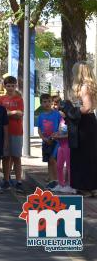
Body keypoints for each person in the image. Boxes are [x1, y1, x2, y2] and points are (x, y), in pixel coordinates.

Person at [69, 62, 97, 195]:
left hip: (85, 123)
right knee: (87, 155)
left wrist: (70, 111)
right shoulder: (88, 86)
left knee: (84, 156)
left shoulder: (85, 87)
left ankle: (86, 187)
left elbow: (87, 107)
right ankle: (90, 187)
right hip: (87, 122)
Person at [0, 76, 24, 191]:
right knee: (6, 157)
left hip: (17, 131)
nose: (11, 88)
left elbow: (20, 114)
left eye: (13, 85)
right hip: (4, 132)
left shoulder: (19, 99)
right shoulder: (0, 99)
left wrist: (8, 113)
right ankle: (6, 180)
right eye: (8, 86)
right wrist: (13, 113)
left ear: (15, 86)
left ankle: (18, 181)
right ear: (5, 86)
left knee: (16, 157)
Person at [36, 94, 60, 188]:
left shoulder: (57, 114)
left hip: (56, 141)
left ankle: (56, 180)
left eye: (49, 101)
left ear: (52, 102)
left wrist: (56, 135)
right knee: (49, 161)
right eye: (45, 102)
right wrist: (43, 138)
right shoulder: (41, 116)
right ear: (41, 103)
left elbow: (61, 126)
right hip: (46, 142)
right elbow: (39, 129)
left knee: (53, 160)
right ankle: (51, 179)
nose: (47, 103)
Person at [52, 121, 74, 193]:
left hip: (68, 145)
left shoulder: (71, 120)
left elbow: (71, 134)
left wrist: (58, 136)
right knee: (58, 165)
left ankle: (71, 186)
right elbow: (60, 131)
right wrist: (56, 134)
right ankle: (61, 184)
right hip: (61, 145)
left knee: (69, 166)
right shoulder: (62, 120)